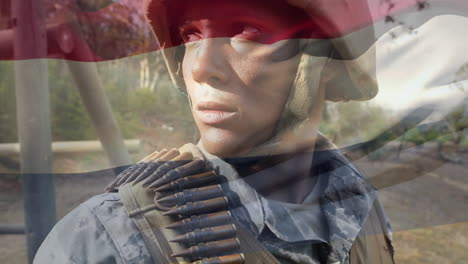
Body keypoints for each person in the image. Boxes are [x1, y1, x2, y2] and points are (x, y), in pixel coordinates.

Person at [34, 0, 394, 263]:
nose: (202, 66)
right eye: (190, 36)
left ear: (322, 60)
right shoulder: (107, 238)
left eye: (246, 34)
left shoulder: (360, 205)